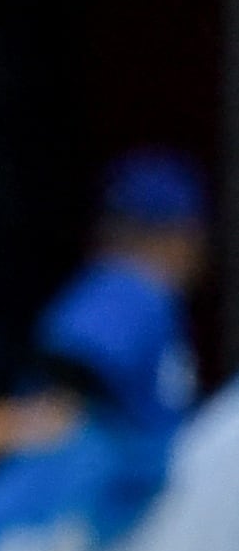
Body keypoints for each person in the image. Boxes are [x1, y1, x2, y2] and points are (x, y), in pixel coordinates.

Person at [15, 152, 211, 483]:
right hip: (95, 509)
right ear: (178, 233)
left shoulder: (149, 296)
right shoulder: (127, 288)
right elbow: (66, 385)